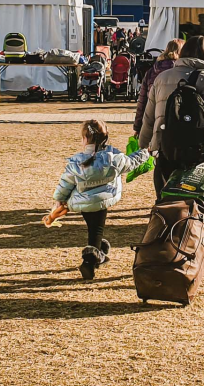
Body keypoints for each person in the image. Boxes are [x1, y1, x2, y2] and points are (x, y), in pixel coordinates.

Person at [139, 35, 204, 269]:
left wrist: (143, 145)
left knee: (166, 201)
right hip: (197, 149)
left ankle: (162, 250)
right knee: (202, 201)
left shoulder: (162, 76)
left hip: (165, 149)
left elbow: (149, 116)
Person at [44, 119, 151, 280]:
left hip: (84, 204)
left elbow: (65, 183)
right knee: (96, 229)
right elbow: (132, 162)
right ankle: (89, 260)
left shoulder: (76, 162)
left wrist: (59, 200)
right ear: (106, 136)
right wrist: (146, 151)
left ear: (84, 139)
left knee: (94, 228)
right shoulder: (114, 159)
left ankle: (99, 249)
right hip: (102, 201)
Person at [133, 38, 182, 136]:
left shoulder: (151, 72)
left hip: (154, 120)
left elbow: (142, 101)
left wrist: (138, 126)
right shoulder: (183, 72)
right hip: (178, 121)